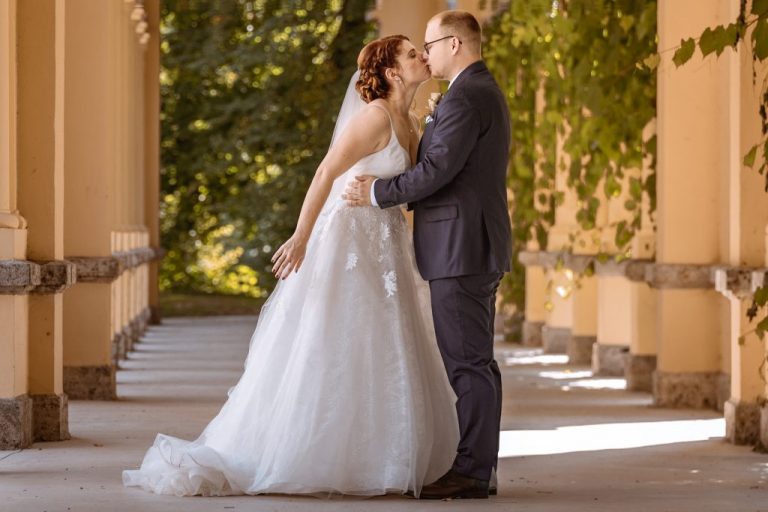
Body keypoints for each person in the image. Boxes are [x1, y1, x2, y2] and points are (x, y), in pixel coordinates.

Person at [122, 34, 460, 498]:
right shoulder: (374, 118)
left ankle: (377, 456)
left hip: (386, 243)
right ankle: (306, 452)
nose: (423, 56)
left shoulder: (409, 120)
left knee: (384, 338)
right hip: (348, 238)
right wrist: (301, 237)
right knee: (337, 337)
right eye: (412, 54)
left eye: (422, 51)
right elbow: (325, 172)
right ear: (391, 71)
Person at [343, 10, 512, 500]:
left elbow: (436, 171)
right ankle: (480, 464)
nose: (426, 52)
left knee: (468, 363)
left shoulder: (468, 96)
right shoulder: (471, 92)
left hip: (463, 249)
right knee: (475, 361)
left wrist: (377, 192)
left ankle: (474, 472)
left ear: (454, 43)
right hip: (469, 245)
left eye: (430, 44)